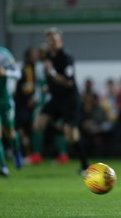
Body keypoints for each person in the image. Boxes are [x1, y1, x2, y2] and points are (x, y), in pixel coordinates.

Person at [27, 27, 89, 174]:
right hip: (56, 99)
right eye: (49, 40)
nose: (52, 42)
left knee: (71, 136)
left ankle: (85, 166)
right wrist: (47, 87)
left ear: (60, 40)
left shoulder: (66, 57)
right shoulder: (48, 55)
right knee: (38, 125)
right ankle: (61, 129)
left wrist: (53, 73)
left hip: (70, 100)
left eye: (54, 39)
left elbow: (68, 82)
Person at [0, 35, 23, 177]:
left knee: (10, 133)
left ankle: (17, 151)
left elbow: (18, 73)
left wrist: (5, 72)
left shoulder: (3, 54)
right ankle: (3, 167)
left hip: (5, 101)